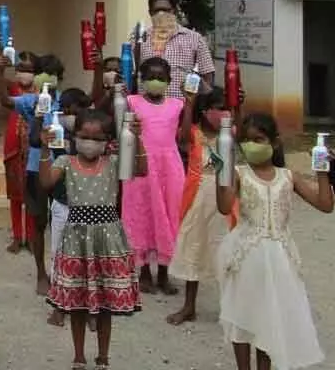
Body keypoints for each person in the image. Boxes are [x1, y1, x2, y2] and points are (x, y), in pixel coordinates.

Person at [216, 113, 332, 370]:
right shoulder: (239, 174)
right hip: (247, 255)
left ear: (275, 143)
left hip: (280, 257)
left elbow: (325, 204)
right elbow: (225, 207)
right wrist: (220, 174)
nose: (252, 145)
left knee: (270, 317)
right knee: (243, 314)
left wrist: (323, 171)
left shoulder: (288, 176)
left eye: (259, 139)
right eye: (246, 140)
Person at [40, 110, 143, 370]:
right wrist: (43, 148)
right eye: (84, 136)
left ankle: (103, 356)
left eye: (96, 138)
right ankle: (78, 355)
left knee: (106, 302)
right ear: (74, 137)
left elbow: (141, 169)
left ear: (107, 140)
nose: (89, 142)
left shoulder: (114, 162)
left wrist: (137, 140)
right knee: (77, 302)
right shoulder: (64, 162)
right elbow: (45, 183)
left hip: (108, 239)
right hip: (77, 239)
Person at [166, 87, 239, 325]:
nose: (224, 114)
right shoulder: (195, 134)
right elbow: (183, 136)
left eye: (227, 109)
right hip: (197, 198)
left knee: (227, 249)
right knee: (194, 248)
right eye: (220, 109)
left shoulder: (229, 134)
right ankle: (189, 306)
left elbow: (245, 132)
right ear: (206, 112)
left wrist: (238, 105)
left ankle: (232, 309)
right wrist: (189, 104)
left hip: (224, 198)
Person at [0, 52, 66, 296]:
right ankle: (41, 273)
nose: (47, 78)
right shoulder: (30, 101)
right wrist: (0, 76)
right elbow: (5, 101)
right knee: (38, 222)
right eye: (42, 72)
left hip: (62, 169)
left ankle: (65, 272)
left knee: (64, 222)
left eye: (53, 74)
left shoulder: (65, 102)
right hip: (35, 169)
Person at [122, 57, 194, 294]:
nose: (155, 81)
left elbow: (183, 138)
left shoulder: (177, 105)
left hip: (168, 167)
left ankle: (163, 273)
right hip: (141, 166)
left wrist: (190, 104)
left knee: (168, 215)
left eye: (160, 78)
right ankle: (143, 271)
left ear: (169, 80)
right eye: (150, 77)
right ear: (141, 80)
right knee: (143, 214)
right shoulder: (131, 102)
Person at [45, 88, 92, 329]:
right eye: (66, 110)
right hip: (63, 204)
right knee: (58, 255)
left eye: (77, 111)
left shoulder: (93, 141)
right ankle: (59, 306)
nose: (71, 115)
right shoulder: (58, 137)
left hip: (89, 208)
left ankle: (89, 310)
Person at [0, 51, 37, 253]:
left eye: (29, 70)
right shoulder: (13, 88)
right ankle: (17, 237)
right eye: (20, 69)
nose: (24, 74)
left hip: (33, 150)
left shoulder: (41, 92)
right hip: (13, 148)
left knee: (29, 195)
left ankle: (30, 237)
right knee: (14, 196)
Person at [137, 0, 214, 100]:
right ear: (150, 13)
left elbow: (207, 77)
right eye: (157, 10)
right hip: (148, 110)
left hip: (183, 109)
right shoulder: (140, 39)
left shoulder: (195, 38)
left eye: (166, 10)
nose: (161, 14)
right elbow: (134, 74)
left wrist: (196, 103)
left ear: (174, 11)